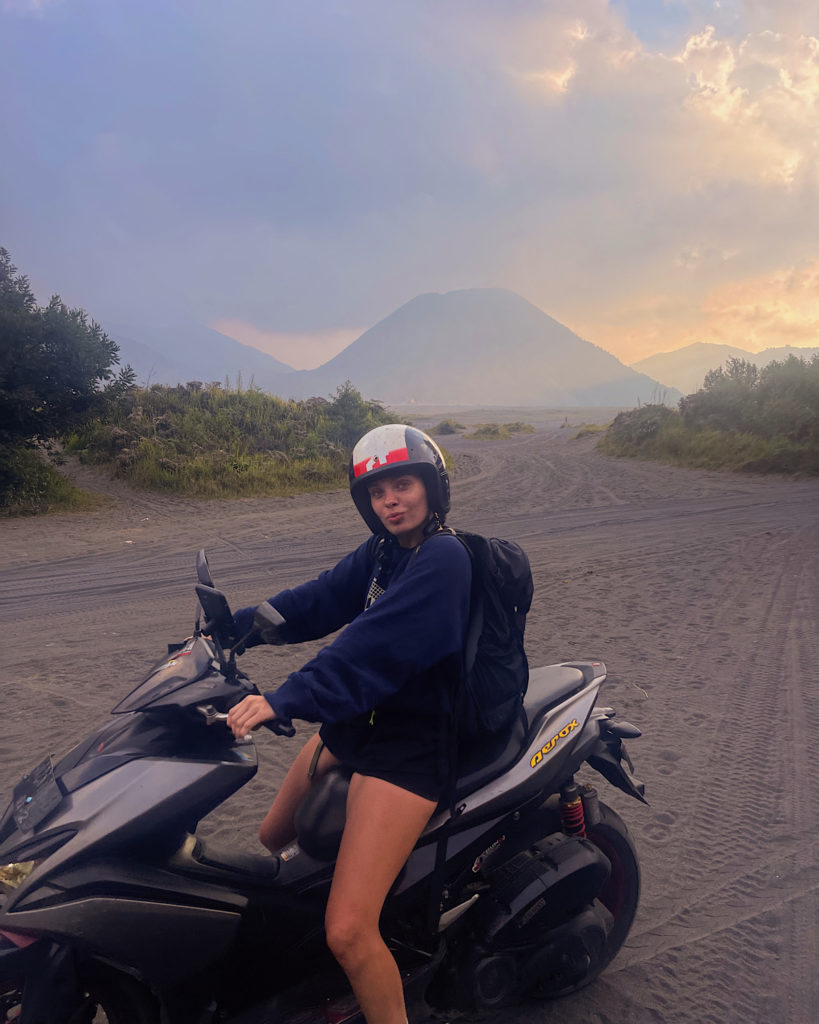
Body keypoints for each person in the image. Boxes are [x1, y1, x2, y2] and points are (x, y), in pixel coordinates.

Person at [226, 423, 472, 1024]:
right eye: (377, 491)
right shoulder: (383, 553)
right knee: (271, 839)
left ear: (432, 488)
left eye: (403, 484)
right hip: (357, 727)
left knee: (348, 930)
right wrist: (230, 632)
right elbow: (317, 599)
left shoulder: (445, 559)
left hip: (410, 748)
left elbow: (372, 646)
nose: (390, 500)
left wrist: (287, 698)